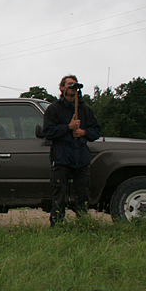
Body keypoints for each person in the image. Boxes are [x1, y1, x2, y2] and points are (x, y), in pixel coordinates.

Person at [42, 75, 102, 226]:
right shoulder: (54, 109)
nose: (73, 88)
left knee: (83, 194)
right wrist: (68, 127)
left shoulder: (85, 110)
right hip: (61, 157)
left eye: (75, 85)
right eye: (69, 84)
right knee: (59, 194)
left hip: (80, 157)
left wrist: (83, 133)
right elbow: (48, 132)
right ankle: (57, 225)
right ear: (62, 88)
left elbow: (96, 131)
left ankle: (83, 223)